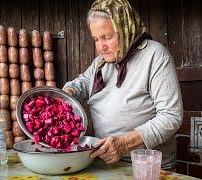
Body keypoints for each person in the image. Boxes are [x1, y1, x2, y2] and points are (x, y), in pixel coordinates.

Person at [63, 0, 183, 170]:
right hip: (106, 162)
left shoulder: (155, 56)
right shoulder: (101, 63)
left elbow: (171, 116)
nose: (100, 47)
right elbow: (83, 83)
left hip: (147, 166)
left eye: (107, 37)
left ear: (126, 28)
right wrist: (69, 91)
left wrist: (124, 144)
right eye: (95, 39)